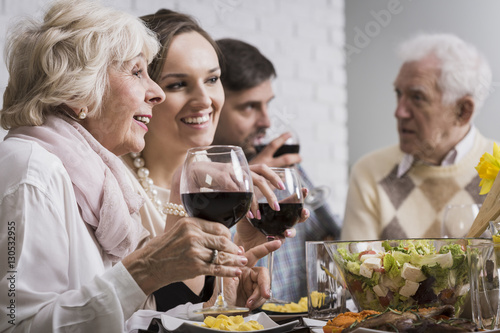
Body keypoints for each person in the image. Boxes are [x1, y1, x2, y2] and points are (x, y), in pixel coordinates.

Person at [0, 1, 275, 331]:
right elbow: (17, 326)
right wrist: (144, 271)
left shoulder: (100, 181)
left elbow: (127, 321)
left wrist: (225, 298)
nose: (155, 92)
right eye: (136, 72)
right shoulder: (33, 172)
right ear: (79, 93)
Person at [120, 9, 309, 312]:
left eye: (212, 79)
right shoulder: (113, 190)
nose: (204, 100)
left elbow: (198, 314)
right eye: (178, 84)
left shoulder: (216, 193)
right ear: (147, 92)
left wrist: (237, 274)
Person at [212, 38, 342, 302]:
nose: (266, 121)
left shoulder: (281, 165)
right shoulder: (195, 182)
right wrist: (244, 182)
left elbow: (329, 238)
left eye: (267, 104)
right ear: (213, 103)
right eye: (249, 106)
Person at [341, 33, 497, 241]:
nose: (399, 112)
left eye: (417, 97)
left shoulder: (496, 172)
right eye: (399, 93)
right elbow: (353, 271)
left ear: (462, 111)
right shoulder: (369, 172)